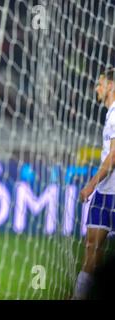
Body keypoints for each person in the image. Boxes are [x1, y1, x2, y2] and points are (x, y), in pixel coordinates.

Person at [74, 68, 115, 299]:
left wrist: (90, 184)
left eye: (100, 84)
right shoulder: (110, 114)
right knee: (91, 248)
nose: (96, 89)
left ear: (111, 86)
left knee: (94, 250)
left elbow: (114, 157)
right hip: (104, 192)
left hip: (110, 191)